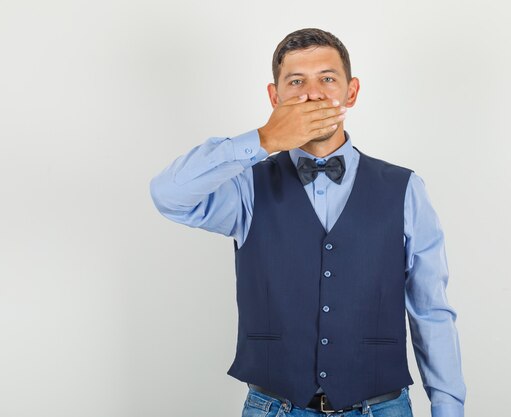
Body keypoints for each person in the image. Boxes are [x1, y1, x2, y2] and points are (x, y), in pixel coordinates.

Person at [149, 28, 466, 417]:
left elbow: (430, 309)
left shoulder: (405, 188)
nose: (312, 94)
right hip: (275, 407)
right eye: (296, 81)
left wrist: (448, 408)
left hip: (382, 409)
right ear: (274, 96)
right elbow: (168, 195)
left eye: (327, 79)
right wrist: (264, 139)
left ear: (351, 92)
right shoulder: (245, 187)